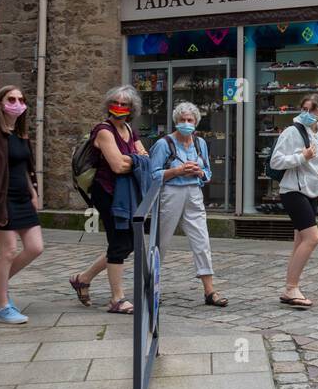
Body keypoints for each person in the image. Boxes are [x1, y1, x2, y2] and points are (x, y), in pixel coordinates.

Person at [69, 86, 151, 314]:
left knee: (127, 243)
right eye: (115, 102)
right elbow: (117, 165)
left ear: (132, 108)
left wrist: (132, 160)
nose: (119, 106)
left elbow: (145, 158)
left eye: (124, 104)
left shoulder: (128, 129)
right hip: (107, 193)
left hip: (125, 194)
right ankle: (117, 299)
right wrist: (135, 160)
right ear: (108, 105)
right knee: (119, 242)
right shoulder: (104, 131)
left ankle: (83, 278)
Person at [0, 85, 43, 325]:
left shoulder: (21, 134)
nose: (16, 103)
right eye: (11, 99)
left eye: (20, 99)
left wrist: (33, 191)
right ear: (1, 103)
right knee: (8, 251)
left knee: (35, 247)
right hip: (2, 199)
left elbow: (24, 167)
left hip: (23, 198)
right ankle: (2, 307)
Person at [150, 101, 224, 307]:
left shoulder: (200, 144)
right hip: (170, 193)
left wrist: (199, 172)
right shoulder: (164, 144)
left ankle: (210, 290)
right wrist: (177, 171)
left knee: (202, 240)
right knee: (161, 242)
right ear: (176, 121)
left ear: (196, 122)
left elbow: (207, 172)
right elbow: (153, 175)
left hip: (194, 192)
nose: (186, 123)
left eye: (190, 120)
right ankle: (150, 286)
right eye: (182, 120)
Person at [270, 94, 318, 309]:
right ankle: (291, 287)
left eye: (313, 110)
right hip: (292, 190)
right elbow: (276, 161)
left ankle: (289, 288)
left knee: (300, 240)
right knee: (312, 238)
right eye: (304, 109)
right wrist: (302, 157)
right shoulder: (292, 132)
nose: (307, 114)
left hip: (311, 191)